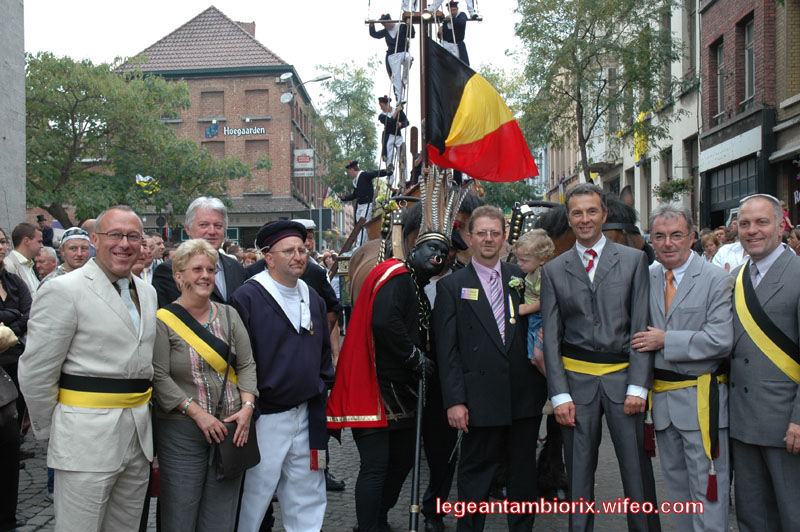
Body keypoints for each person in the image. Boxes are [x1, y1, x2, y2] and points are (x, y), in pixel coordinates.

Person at [19, 205, 157, 531]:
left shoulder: (148, 293)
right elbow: (37, 371)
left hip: (137, 440)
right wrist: (59, 429)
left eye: (132, 236)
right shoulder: (64, 290)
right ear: (95, 239)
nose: (124, 243)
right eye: (115, 235)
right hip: (83, 439)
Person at [540, 183, 659, 532]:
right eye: (577, 213)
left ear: (604, 215)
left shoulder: (635, 261)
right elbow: (552, 340)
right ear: (569, 218)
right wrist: (559, 394)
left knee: (636, 472)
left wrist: (640, 385)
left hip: (625, 383)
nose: (585, 219)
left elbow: (641, 326)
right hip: (576, 387)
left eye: (592, 211)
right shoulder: (554, 269)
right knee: (578, 476)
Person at [327, 228, 448, 532]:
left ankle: (378, 518)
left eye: (444, 252)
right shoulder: (397, 275)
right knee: (376, 467)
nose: (439, 255)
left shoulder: (416, 287)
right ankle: (368, 527)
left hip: (403, 391)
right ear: (413, 251)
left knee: (403, 460)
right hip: (376, 387)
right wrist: (413, 357)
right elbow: (384, 321)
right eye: (432, 248)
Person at [434, 205, 547, 532]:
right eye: (481, 233)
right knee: (475, 478)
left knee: (523, 478)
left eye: (494, 233)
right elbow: (447, 350)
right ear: (469, 238)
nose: (487, 239)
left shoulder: (521, 278)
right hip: (478, 401)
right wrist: (454, 400)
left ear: (504, 238)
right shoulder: (452, 286)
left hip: (523, 398)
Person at [633, 204, 733, 532]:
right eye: (659, 236)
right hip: (662, 408)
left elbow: (720, 340)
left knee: (708, 494)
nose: (668, 243)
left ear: (692, 237)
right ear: (651, 239)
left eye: (677, 235)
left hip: (702, 402)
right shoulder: (646, 277)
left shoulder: (716, 279)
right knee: (677, 493)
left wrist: (666, 340)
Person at [231, 221, 334, 532]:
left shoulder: (312, 297)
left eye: (302, 250)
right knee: (254, 493)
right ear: (268, 257)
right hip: (265, 416)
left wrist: (321, 385)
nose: (298, 256)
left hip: (306, 412)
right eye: (288, 250)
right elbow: (239, 360)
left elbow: (323, 353)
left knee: (307, 492)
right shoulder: (247, 297)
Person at [152, 239, 258, 532]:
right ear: (178, 276)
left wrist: (247, 406)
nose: (205, 275)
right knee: (180, 514)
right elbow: (159, 376)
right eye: (196, 269)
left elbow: (247, 364)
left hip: (230, 429)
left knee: (221, 517)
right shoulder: (163, 320)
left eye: (210, 269)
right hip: (182, 431)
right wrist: (198, 413)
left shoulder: (228, 314)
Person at [728, 194, 800, 530]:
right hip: (743, 423)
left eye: (761, 222)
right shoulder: (740, 276)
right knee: (752, 517)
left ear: (781, 225)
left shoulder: (797, 273)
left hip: (787, 424)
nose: (752, 231)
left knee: (792, 514)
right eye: (745, 224)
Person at [153, 197, 246, 308]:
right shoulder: (169, 270)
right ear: (188, 229)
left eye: (218, 226)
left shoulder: (237, 268)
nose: (212, 231)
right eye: (203, 225)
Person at [0, 227, 31, 433]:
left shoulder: (13, 281)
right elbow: (20, 314)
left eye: (3, 242)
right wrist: (14, 315)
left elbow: (30, 314)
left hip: (17, 358)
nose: (1, 247)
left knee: (17, 411)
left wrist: (9, 326)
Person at [513, 229, 553, 375]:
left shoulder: (543, 274)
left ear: (542, 259)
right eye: (518, 259)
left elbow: (547, 300)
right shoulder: (531, 272)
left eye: (524, 260)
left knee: (539, 356)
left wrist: (526, 308)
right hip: (533, 319)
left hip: (540, 318)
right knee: (533, 359)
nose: (519, 264)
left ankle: (556, 387)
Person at [340, 160, 392, 248]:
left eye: (349, 171)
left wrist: (386, 172)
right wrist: (345, 198)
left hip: (367, 204)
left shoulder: (363, 175)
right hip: (360, 205)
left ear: (352, 169)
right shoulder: (356, 181)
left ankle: (359, 246)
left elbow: (374, 173)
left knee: (362, 225)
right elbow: (355, 195)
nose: (348, 174)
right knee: (358, 226)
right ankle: (360, 244)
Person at [370, 14, 415, 103]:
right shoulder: (386, 31)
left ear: (390, 20)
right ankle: (399, 98)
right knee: (396, 77)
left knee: (409, 58)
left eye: (386, 24)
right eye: (384, 25)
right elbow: (375, 34)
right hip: (392, 55)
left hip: (403, 52)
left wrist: (410, 24)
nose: (385, 27)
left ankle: (405, 77)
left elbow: (412, 35)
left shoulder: (401, 26)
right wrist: (372, 25)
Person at [3, 223, 43, 295]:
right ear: (26, 241)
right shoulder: (8, 266)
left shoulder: (29, 265)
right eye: (39, 241)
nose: (42, 246)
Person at [378, 96, 409, 187]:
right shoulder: (382, 116)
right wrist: (397, 111)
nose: (381, 107)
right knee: (389, 158)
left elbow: (406, 122)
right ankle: (390, 179)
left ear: (387, 104)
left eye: (382, 105)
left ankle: (404, 178)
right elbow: (390, 122)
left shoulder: (399, 112)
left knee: (402, 157)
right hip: (388, 137)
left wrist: (401, 124)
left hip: (398, 136)